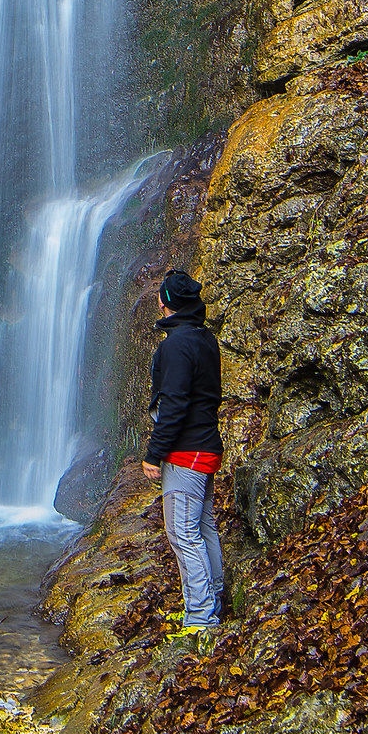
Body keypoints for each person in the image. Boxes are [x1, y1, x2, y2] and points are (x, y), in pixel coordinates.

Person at [141, 269, 224, 628]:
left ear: (166, 303)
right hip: (206, 445)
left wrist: (154, 453)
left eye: (160, 297)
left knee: (182, 534)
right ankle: (214, 599)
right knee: (204, 527)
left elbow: (174, 404)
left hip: (186, 453)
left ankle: (201, 617)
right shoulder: (204, 339)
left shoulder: (176, 345)